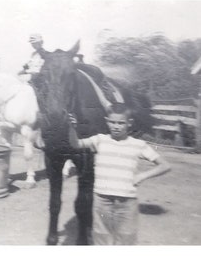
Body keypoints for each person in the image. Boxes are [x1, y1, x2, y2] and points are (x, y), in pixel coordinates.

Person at [68, 103, 171, 245]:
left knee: (126, 240)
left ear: (129, 123)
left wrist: (142, 176)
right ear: (107, 121)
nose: (116, 126)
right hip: (101, 200)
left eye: (121, 123)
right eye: (112, 122)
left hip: (127, 202)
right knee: (101, 238)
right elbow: (75, 144)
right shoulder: (99, 140)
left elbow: (165, 165)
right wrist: (71, 127)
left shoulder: (138, 145)